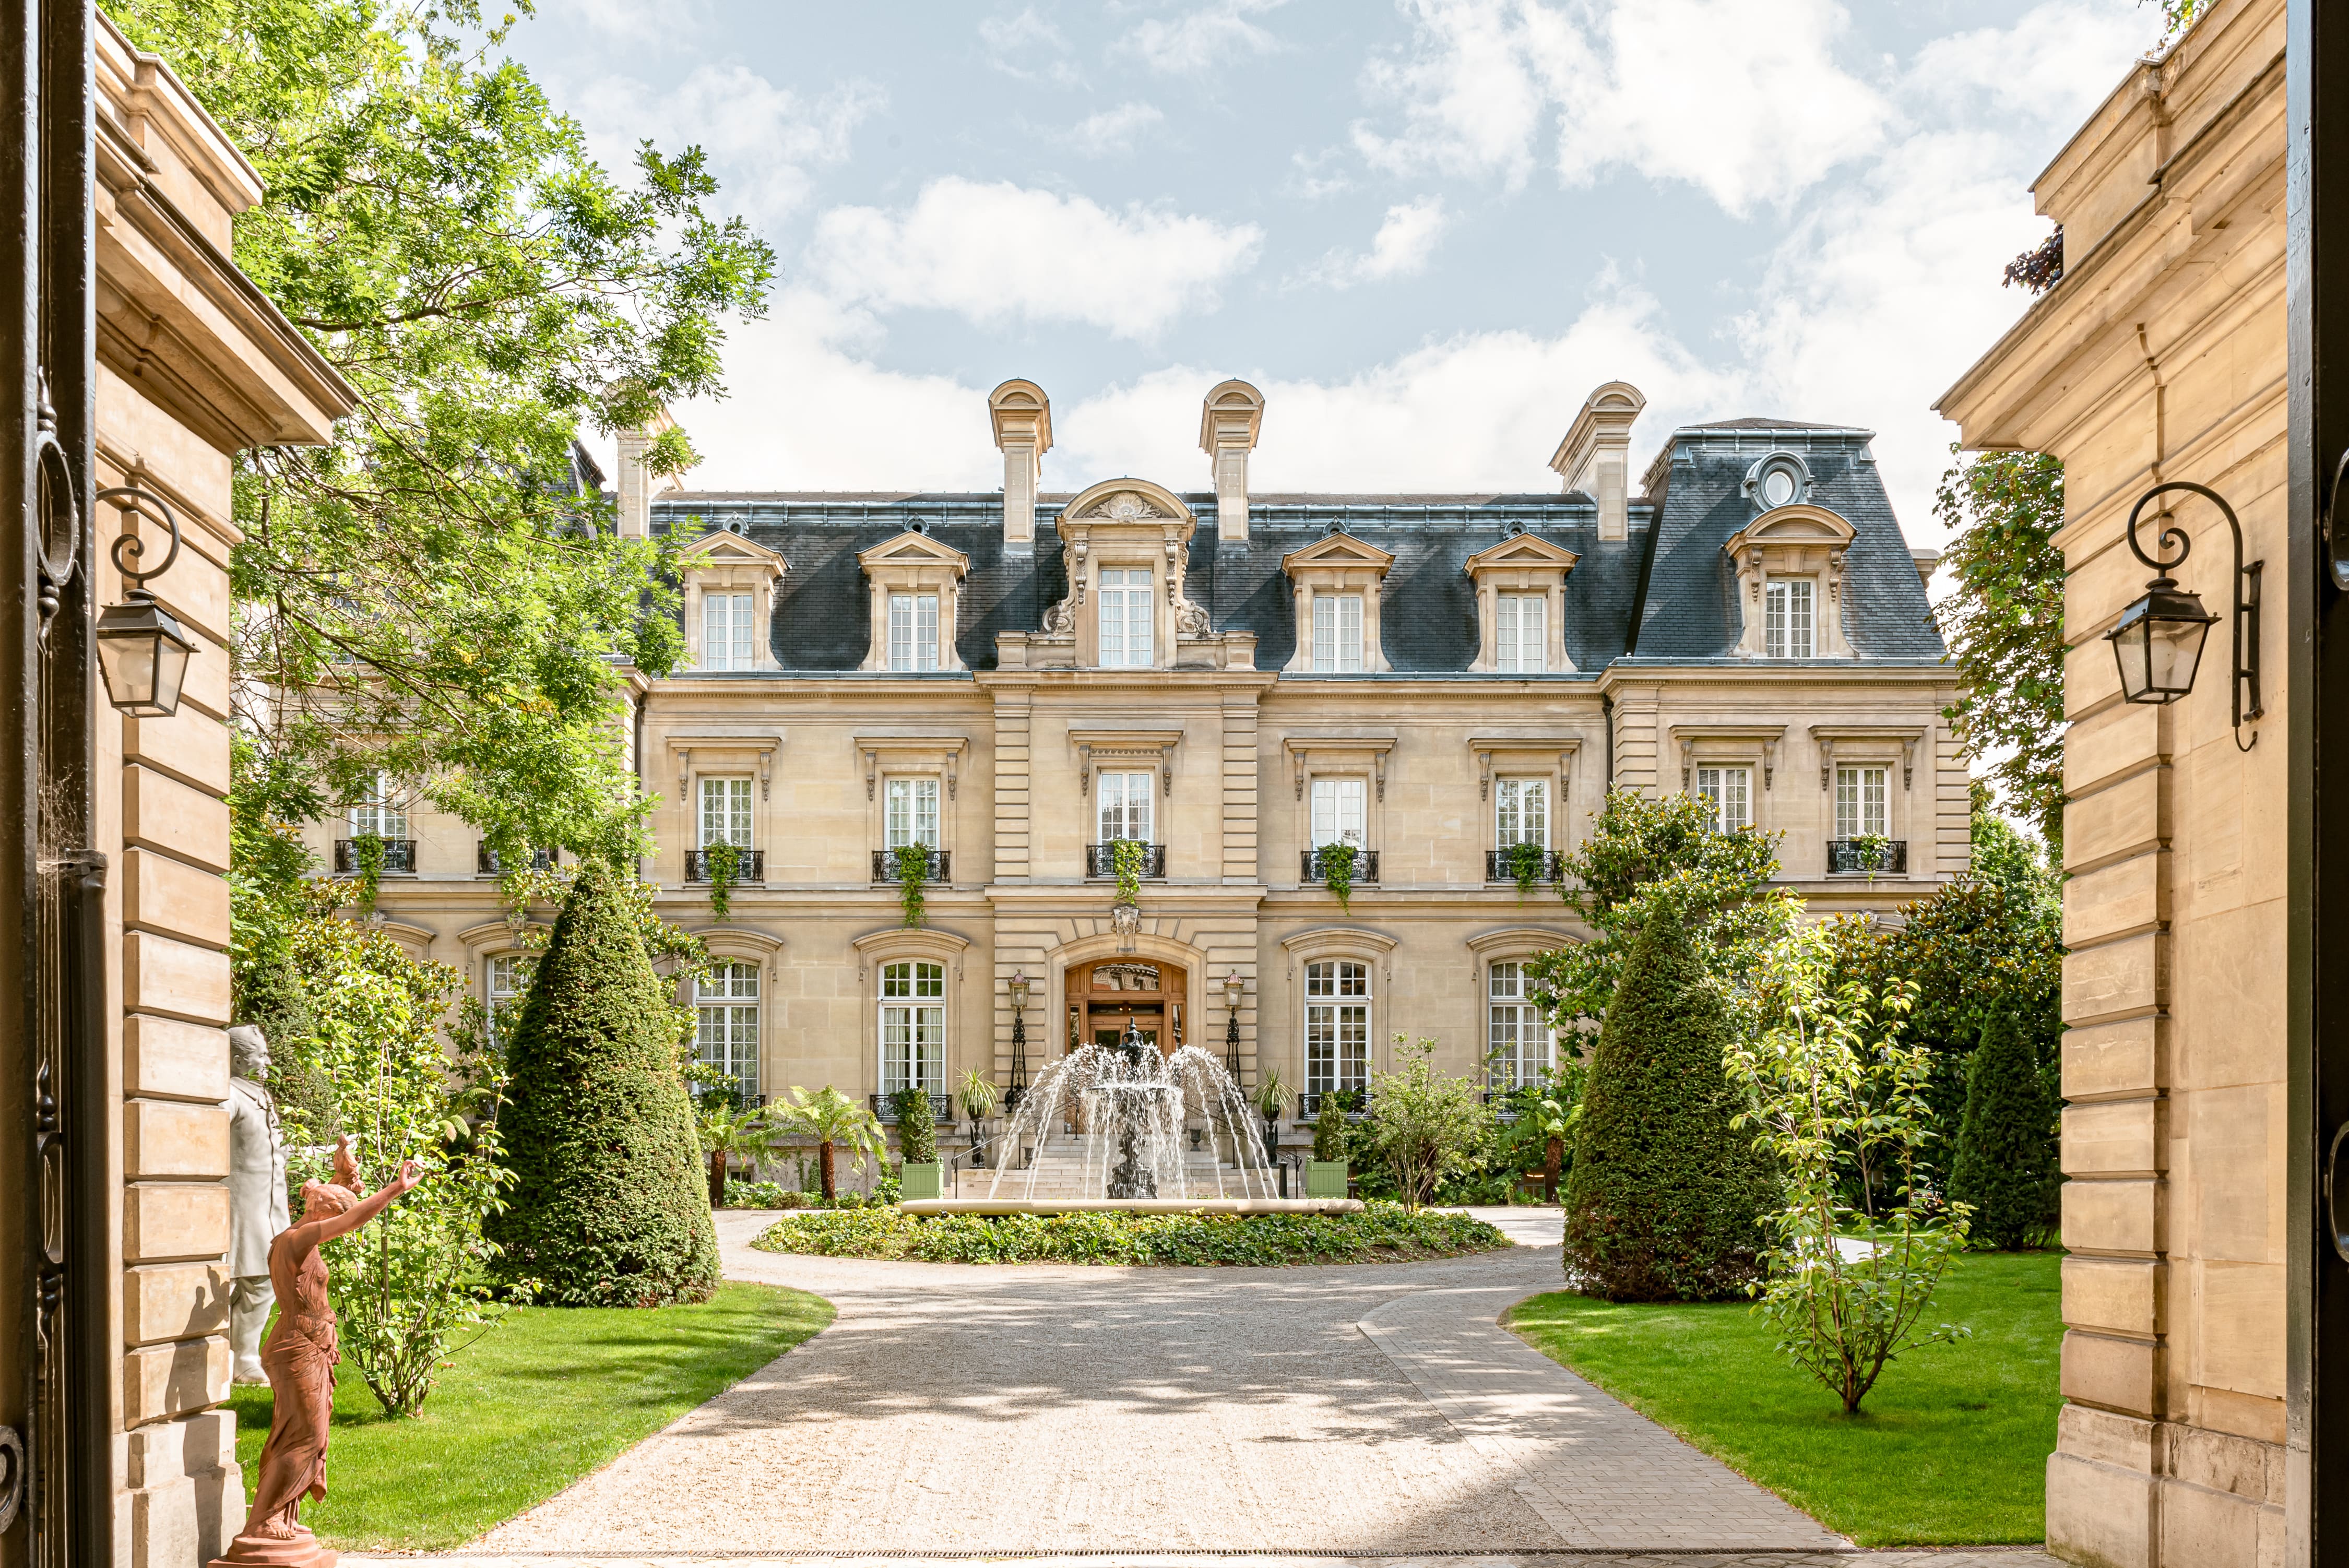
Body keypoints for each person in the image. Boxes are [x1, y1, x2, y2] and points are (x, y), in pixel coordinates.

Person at [212, 1136, 421, 1568]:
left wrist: (343, 1166)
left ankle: (278, 1518)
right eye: (335, 1208)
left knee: (297, 1434)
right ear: (322, 1212)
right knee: (303, 1436)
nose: (339, 1214)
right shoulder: (299, 1239)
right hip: (298, 1347)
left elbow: (336, 1199)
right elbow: (349, 1220)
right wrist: (394, 1190)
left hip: (306, 1343)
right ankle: (262, 1526)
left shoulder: (300, 1230)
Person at [224, 1024, 289, 1384]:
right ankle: (241, 1359)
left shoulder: (258, 1096)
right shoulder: (230, 1096)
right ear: (237, 1061)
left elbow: (273, 1151)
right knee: (248, 1281)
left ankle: (238, 1356)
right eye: (259, 1055)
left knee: (262, 1280)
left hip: (268, 1206)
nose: (267, 1061)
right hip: (242, 1207)